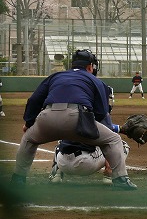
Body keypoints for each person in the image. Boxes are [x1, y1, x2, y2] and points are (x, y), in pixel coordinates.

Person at [10, 49, 137, 190]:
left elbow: (34, 100)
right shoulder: (95, 80)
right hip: (76, 118)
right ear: (90, 66)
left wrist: (29, 123)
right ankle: (121, 180)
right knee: (113, 140)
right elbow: (102, 114)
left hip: (46, 117)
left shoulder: (55, 76)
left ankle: (18, 179)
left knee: (29, 139)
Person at [48, 139, 130, 185]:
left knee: (60, 143)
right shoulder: (95, 120)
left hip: (62, 163)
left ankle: (56, 174)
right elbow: (108, 142)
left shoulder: (69, 118)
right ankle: (109, 175)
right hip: (85, 164)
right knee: (120, 144)